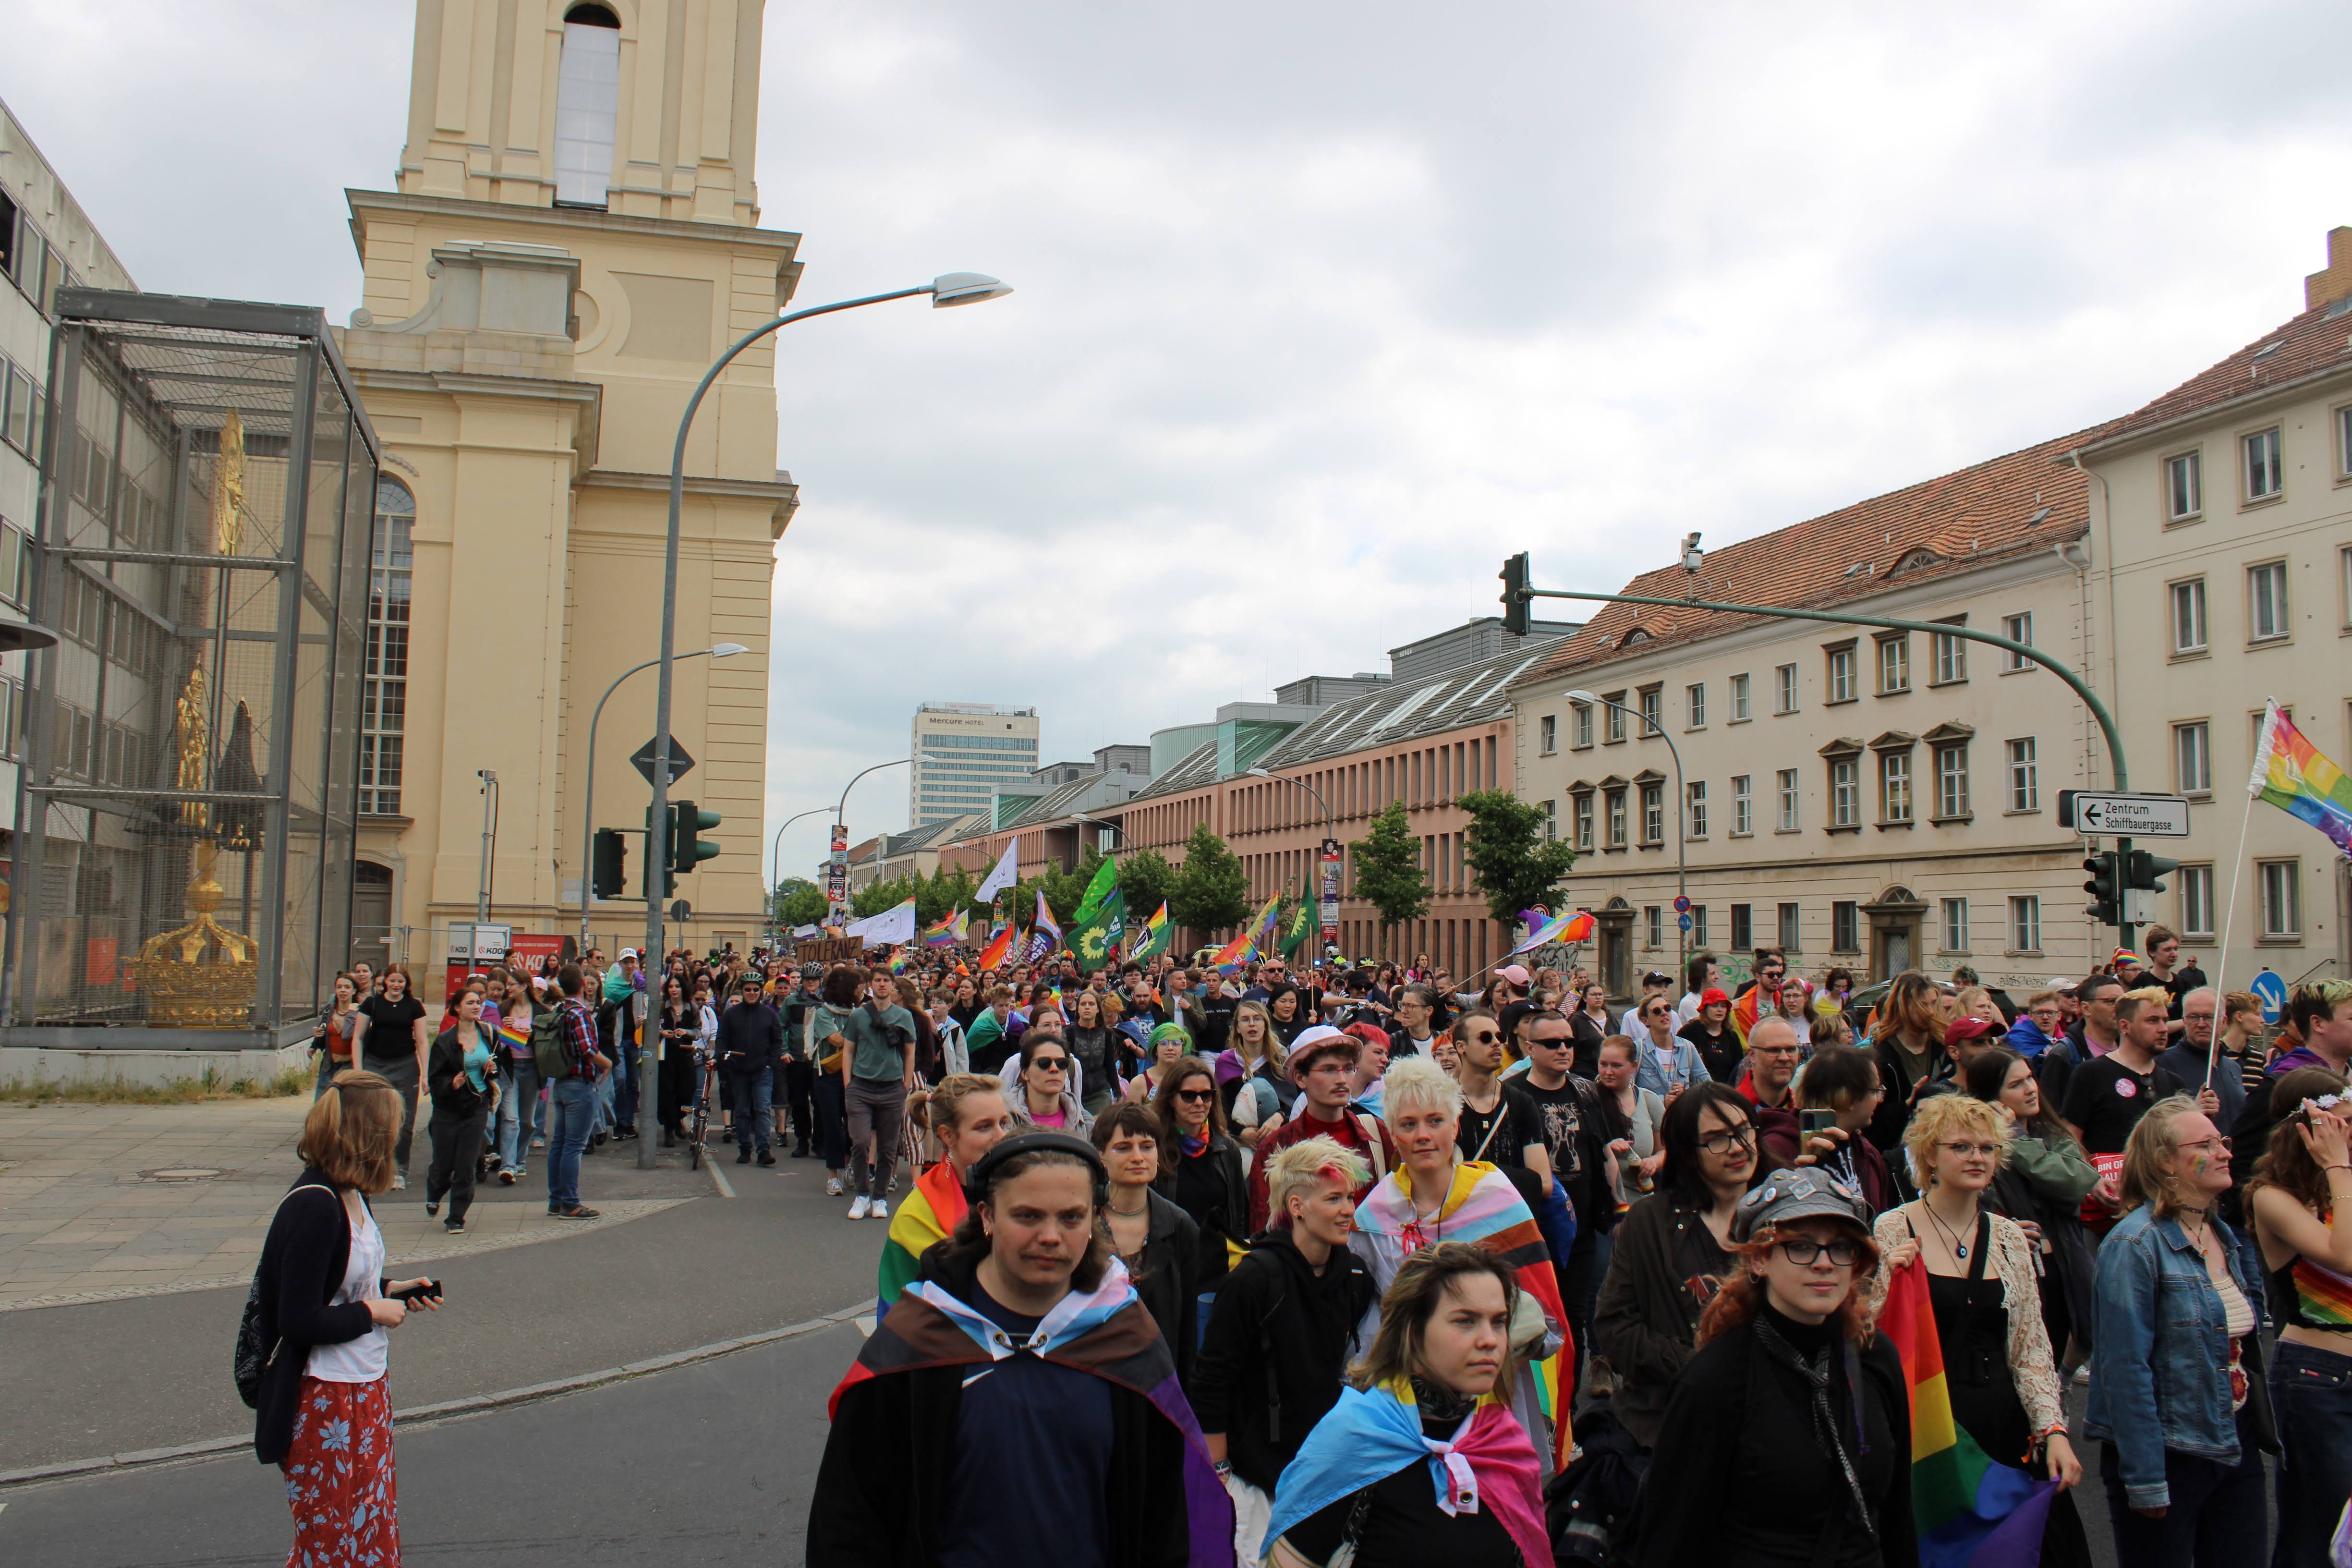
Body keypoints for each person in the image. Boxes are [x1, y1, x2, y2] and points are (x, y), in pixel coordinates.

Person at [806, 1132, 1232, 1567]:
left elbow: (1161, 1516)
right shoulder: (918, 1337)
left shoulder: (1126, 1336)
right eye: (1028, 1216)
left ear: (1093, 1220)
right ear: (987, 1215)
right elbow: (850, 1516)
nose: (1051, 1236)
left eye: (1071, 1217)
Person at [1627, 1166, 1913, 1568]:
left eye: (1841, 1247)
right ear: (1760, 1259)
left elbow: (1898, 1514)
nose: (1824, 1263)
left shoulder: (1875, 1355)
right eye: (1801, 1246)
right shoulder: (1716, 1379)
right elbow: (1671, 1539)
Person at [1875, 1094, 2089, 1564]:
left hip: (2001, 1422)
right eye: (1961, 1146)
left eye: (1987, 1148)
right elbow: (1870, 1337)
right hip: (1928, 1421)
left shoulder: (2010, 1236)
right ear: (1928, 1153)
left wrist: (2051, 1428)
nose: (1976, 1157)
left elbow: (2031, 1349)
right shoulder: (1892, 1228)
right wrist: (1885, 1281)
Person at [1261, 1245, 1553, 1568]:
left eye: (1499, 1322)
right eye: (1466, 1321)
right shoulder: (1354, 1439)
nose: (1490, 1340)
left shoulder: (1506, 1446)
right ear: (1412, 1330)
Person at [252, 1073, 442, 1565]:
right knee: (331, 1544)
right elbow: (297, 1319)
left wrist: (388, 1290)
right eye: (394, 1127)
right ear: (368, 1133)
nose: (400, 1136)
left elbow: (335, 1284)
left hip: (365, 1386)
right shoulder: (316, 1205)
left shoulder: (351, 1193)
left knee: (369, 1530)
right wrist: (370, 1311)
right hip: (325, 1398)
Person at [1348, 1057, 1570, 1468]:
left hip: (1495, 1396)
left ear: (1455, 1125)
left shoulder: (1496, 1197)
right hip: (1410, 1405)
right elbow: (1370, 1323)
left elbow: (1545, 1315)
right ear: (1393, 1132)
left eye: (1435, 1120)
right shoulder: (1376, 1214)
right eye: (1409, 1123)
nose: (1423, 1135)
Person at [2085, 1094, 2276, 1565]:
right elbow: (2124, 1368)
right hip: (2170, 1452)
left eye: (2222, 1141)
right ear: (2165, 1163)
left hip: (2234, 1442)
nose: (2225, 1152)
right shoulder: (2133, 1245)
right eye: (2207, 1144)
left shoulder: (2222, 1235)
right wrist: (2146, 1477)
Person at [1193, 1134, 1379, 1562]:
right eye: (1334, 1198)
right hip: (1254, 1479)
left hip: (1324, 1473)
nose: (1348, 1210)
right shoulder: (1252, 1280)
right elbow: (1212, 1380)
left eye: (1350, 1197)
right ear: (1297, 1206)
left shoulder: (1354, 1276)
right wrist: (1221, 1478)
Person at [1593, 1082, 1761, 1449]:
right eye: (1717, 1138)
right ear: (1686, 1152)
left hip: (1767, 1421)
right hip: (1670, 1423)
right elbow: (1616, 1326)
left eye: (1744, 1130)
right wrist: (1702, 1365)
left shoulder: (1784, 1213)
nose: (1738, 1147)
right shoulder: (1648, 1222)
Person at [2243, 1068, 2352, 1566]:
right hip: (2316, 1376)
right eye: (2341, 1124)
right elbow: (2343, 1254)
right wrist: (2336, 1168)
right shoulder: (2271, 1196)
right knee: (2320, 1528)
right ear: (2307, 1128)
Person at [1518, 1009, 1620, 1387]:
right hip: (1535, 1232)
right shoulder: (1514, 1095)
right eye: (1552, 1043)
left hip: (1583, 1230)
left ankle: (1569, 1416)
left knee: (1573, 1320)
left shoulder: (1587, 1090)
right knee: (1533, 1322)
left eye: (1569, 1042)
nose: (1563, 1048)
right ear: (1530, 1047)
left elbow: (1602, 1148)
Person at [878, 1072, 1013, 1317]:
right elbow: (903, 1315)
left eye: (1004, 1123)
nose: (1001, 1136)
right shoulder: (917, 1214)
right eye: (984, 1127)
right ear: (947, 1135)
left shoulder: (1021, 1187)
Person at [1091, 1101, 1201, 1383]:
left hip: (1161, 1382)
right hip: (1096, 1378)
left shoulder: (1180, 1226)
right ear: (1101, 1156)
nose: (1138, 1157)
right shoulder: (1081, 1223)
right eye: (1124, 1148)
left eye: (1147, 1146)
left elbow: (1188, 1329)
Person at [1248, 1027, 1399, 1232]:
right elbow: (1264, 1230)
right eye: (1328, 1069)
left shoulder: (1376, 1134)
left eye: (1348, 1069)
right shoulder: (1276, 1148)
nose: (1341, 1080)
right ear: (1301, 1079)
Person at [1152, 1055, 1250, 1327]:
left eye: (1206, 1095)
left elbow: (1238, 1215)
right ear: (1171, 1099)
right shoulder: (1155, 1149)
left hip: (1217, 1270)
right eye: (1189, 1096)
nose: (1199, 1103)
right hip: (1172, 1270)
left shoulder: (1226, 1149)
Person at [840, 968, 917, 1220]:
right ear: (870, 985)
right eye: (878, 981)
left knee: (887, 1147)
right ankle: (862, 1195)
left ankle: (880, 1197)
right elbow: (849, 1051)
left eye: (886, 981)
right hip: (861, 1087)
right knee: (861, 1142)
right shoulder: (859, 1016)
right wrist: (848, 1084)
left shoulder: (904, 1016)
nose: (882, 985)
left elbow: (909, 1052)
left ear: (893, 986)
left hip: (892, 1087)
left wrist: (906, 1084)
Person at [423, 986, 497, 1235]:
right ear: (457, 1008)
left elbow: (496, 1065)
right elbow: (434, 1081)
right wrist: (451, 1084)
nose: (477, 1007)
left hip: (477, 1106)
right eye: (470, 1003)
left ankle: (456, 1217)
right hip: (448, 1110)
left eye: (479, 1003)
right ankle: (435, 1191)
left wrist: (490, 1069)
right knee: (444, 1164)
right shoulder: (445, 1041)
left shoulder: (487, 1033)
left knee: (466, 1164)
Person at [351, 963, 431, 1190]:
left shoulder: (414, 1006)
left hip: (405, 1066)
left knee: (404, 1122)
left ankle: (399, 1170)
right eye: (393, 981)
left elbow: (423, 1041)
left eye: (401, 981)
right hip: (375, 1065)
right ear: (385, 982)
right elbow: (358, 1037)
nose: (396, 985)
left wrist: (425, 1074)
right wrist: (358, 1070)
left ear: (407, 984)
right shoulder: (372, 1003)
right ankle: (372, 1167)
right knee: (372, 1120)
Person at [1793, 1043, 1896, 1213]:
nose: (1880, 1099)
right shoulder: (1780, 1148)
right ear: (1850, 1098)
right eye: (1876, 1090)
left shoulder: (1869, 1155)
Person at [544, 962, 607, 1221]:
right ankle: (570, 1203)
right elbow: (587, 1050)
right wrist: (608, 1064)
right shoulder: (580, 1013)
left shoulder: (561, 1008)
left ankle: (556, 1200)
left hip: (561, 1082)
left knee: (559, 1144)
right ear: (583, 984)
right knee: (574, 1147)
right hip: (579, 1084)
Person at [715, 972, 782, 1167]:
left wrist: (772, 1062)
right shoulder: (732, 1014)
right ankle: (745, 1148)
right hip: (738, 1070)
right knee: (743, 1111)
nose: (752, 993)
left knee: (762, 1109)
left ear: (761, 991)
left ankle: (764, 1150)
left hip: (763, 1070)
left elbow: (777, 1041)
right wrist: (723, 1058)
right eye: (748, 990)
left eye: (755, 990)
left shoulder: (769, 1014)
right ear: (742, 991)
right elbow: (722, 1039)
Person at [1594, 1034, 1667, 1200]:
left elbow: (1664, 1150)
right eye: (1603, 1065)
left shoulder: (1649, 1100)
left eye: (1617, 1066)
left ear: (1634, 1067)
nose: (1609, 1072)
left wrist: (1654, 1162)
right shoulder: (1589, 1099)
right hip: (1606, 1199)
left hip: (1643, 1199)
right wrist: (1607, 1148)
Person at [1738, 1015, 1807, 1167]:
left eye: (1791, 1050)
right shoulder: (1731, 1111)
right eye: (1774, 1050)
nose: (1784, 1058)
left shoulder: (1806, 1110)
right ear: (1752, 1056)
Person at [1218, 999, 1287, 1146]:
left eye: (1257, 1019)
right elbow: (1220, 1108)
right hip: (1240, 1142)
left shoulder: (1280, 1059)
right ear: (1237, 1027)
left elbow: (1292, 1101)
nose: (1252, 1024)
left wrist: (1280, 1117)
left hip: (1278, 1138)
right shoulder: (1226, 1062)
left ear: (1265, 1025)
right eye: (1245, 1020)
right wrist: (1240, 1132)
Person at [1008, 1033, 1094, 1140]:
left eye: (1062, 1063)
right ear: (1025, 1073)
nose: (1055, 1069)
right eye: (1044, 1063)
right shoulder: (1004, 1121)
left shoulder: (1086, 1122)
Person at [1632, 992, 1706, 1101]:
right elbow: (1628, 1091)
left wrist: (1687, 1092)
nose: (1664, 1013)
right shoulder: (1637, 1050)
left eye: (1667, 1008)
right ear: (1646, 1021)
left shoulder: (1687, 1047)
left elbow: (1706, 1085)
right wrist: (1663, 1101)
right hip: (1652, 1116)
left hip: (1682, 1115)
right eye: (1657, 1011)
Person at [1066, 987, 1118, 1114]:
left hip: (1100, 1092)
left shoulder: (1107, 1034)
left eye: (1091, 1004)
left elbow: (1110, 1065)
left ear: (1098, 1009)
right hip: (1074, 1094)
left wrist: (1118, 1092)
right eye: (1083, 1004)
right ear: (1078, 1008)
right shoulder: (1068, 1033)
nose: (1087, 1007)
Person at [312, 973, 361, 1100]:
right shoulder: (329, 1009)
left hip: (349, 1066)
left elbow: (347, 1035)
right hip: (329, 1065)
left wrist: (351, 1013)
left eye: (347, 987)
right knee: (320, 1105)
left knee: (345, 1106)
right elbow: (323, 1028)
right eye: (339, 987)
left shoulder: (358, 1012)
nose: (343, 990)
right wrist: (315, 1044)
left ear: (354, 991)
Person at [1678, 987, 1741, 1084]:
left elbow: (1738, 1069)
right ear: (1705, 1009)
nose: (1720, 1010)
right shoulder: (1689, 1032)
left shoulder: (1731, 1037)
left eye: (1723, 1006)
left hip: (1725, 1092)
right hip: (1697, 1092)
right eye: (1715, 1006)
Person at [1123, 1021, 1193, 1104]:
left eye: (1176, 1043)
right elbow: (1131, 1116)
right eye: (1164, 1043)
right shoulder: (1139, 1083)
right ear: (1155, 1049)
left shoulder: (1191, 1079)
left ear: (1183, 1049)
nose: (1170, 1048)